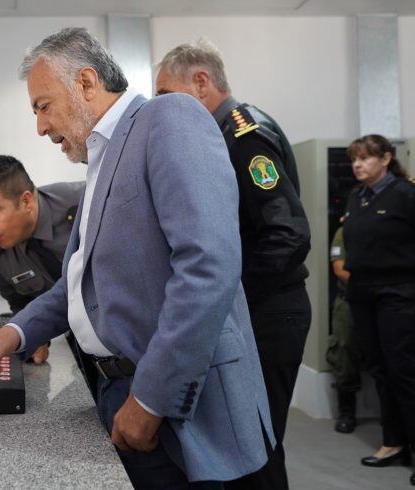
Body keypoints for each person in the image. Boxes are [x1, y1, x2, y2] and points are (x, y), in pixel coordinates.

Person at [0, 27, 274, 489]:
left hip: (165, 396)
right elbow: (78, 286)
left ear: (85, 83)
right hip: (116, 387)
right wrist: (15, 332)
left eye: (43, 106)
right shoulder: (100, 161)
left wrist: (150, 400)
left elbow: (207, 267)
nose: (41, 127)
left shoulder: (168, 117)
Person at [155, 38, 311, 490]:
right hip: (257, 309)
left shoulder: (244, 137)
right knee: (244, 449)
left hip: (268, 312)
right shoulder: (219, 136)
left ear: (201, 82)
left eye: (167, 95)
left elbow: (288, 234)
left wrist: (227, 292)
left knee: (255, 451)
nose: (163, 108)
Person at [342, 134, 415, 487]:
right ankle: (394, 442)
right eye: (355, 159)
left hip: (398, 293)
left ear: (386, 159)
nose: (358, 165)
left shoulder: (405, 193)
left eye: (366, 158)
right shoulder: (358, 198)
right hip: (363, 292)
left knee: (404, 371)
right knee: (380, 369)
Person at [0, 155, 84, 365]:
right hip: (80, 351)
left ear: (26, 201)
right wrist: (34, 338)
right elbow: (20, 305)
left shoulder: (84, 203)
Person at [325, 225, 362, 433]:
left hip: (385, 301)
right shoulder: (345, 231)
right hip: (350, 299)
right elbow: (339, 269)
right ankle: (347, 411)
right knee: (344, 351)